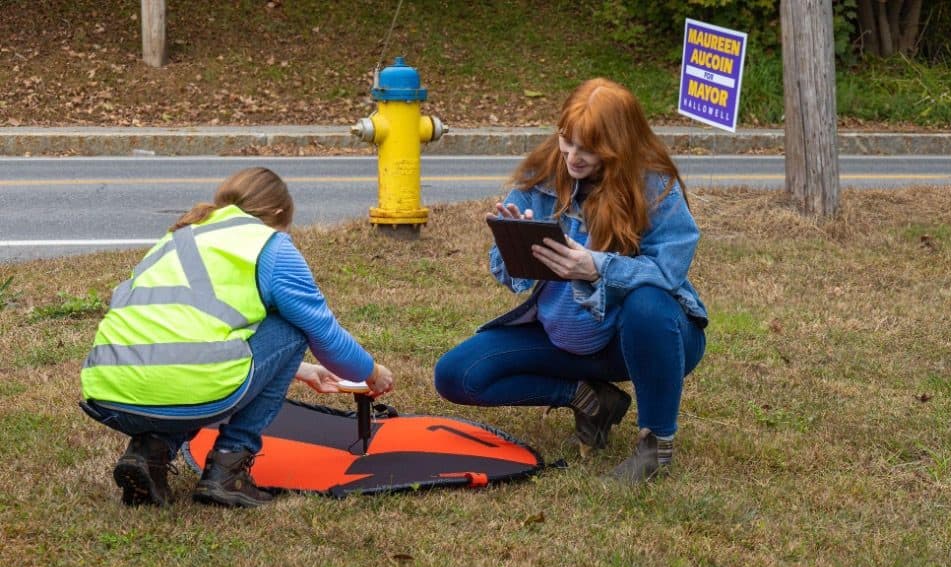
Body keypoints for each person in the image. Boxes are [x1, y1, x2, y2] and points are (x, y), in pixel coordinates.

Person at [434, 78, 707, 484]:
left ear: (618, 146)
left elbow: (669, 271)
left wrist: (596, 267)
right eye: (567, 141)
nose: (572, 157)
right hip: (563, 339)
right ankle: (588, 398)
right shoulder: (542, 172)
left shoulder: (652, 185)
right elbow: (506, 274)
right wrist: (515, 249)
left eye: (588, 148)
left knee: (648, 302)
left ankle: (656, 445)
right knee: (457, 375)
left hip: (639, 338)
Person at [79, 167, 393, 508]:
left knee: (183, 379)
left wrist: (298, 369)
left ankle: (149, 452)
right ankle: (229, 469)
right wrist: (372, 374)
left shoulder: (180, 235)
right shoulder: (270, 247)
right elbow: (326, 339)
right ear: (277, 213)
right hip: (185, 391)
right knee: (294, 324)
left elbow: (186, 332)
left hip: (108, 393)